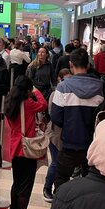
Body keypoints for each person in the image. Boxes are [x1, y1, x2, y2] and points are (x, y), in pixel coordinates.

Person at [51, 48, 104, 190]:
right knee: (91, 183)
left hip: (69, 143)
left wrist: (69, 124)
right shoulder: (102, 88)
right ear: (88, 65)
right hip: (93, 144)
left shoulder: (63, 87)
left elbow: (55, 116)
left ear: (70, 65)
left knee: (61, 180)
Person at [4, 76, 47, 209]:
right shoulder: (28, 103)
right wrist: (37, 91)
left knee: (17, 182)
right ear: (27, 90)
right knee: (26, 186)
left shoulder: (10, 102)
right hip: (26, 149)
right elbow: (43, 105)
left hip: (15, 148)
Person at [43, 69, 72, 202]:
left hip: (66, 134)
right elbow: (52, 114)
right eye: (65, 79)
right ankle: (47, 188)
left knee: (63, 163)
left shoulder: (73, 94)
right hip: (55, 133)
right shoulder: (55, 94)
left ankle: (58, 189)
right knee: (55, 162)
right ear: (59, 79)